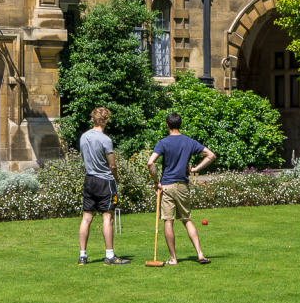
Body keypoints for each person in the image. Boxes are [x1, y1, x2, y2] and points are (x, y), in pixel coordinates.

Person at [147, 113, 216, 265]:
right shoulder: (189, 141)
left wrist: (156, 181)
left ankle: (173, 259)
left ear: (167, 125)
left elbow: (150, 163)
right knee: (187, 220)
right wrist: (195, 168)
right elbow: (210, 155)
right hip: (183, 186)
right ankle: (200, 254)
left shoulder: (163, 142)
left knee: (168, 221)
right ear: (180, 124)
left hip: (167, 186)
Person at [77, 107, 130, 265]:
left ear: (92, 119)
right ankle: (109, 256)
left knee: (86, 218)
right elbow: (112, 165)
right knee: (107, 218)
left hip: (89, 179)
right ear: (106, 120)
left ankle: (82, 256)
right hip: (105, 182)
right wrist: (116, 176)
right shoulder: (105, 140)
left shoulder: (84, 137)